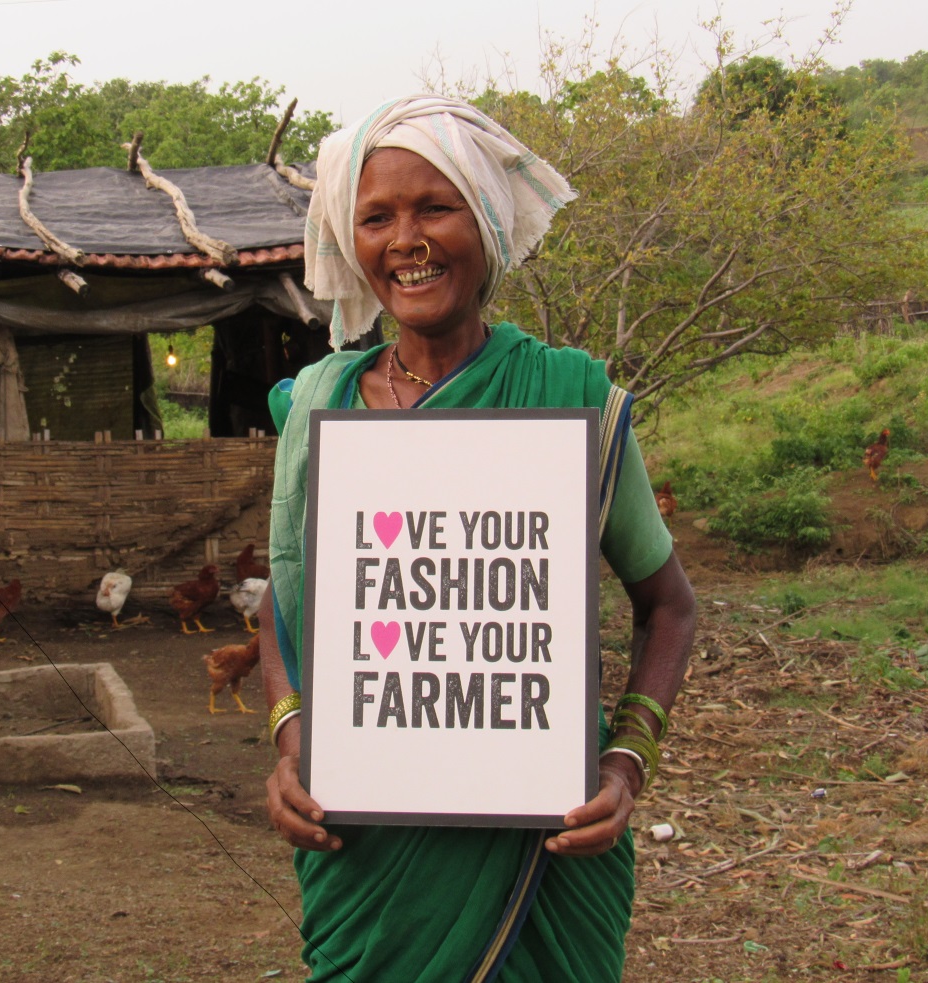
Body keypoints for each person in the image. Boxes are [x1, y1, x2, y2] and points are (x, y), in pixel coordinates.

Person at [258, 95, 697, 983]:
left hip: (549, 858)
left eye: (435, 206)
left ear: (487, 225)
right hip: (369, 865)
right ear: (352, 243)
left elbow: (669, 605)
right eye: (376, 217)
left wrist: (624, 764)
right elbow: (289, 600)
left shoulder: (569, 396)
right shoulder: (317, 406)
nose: (406, 239)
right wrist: (292, 732)